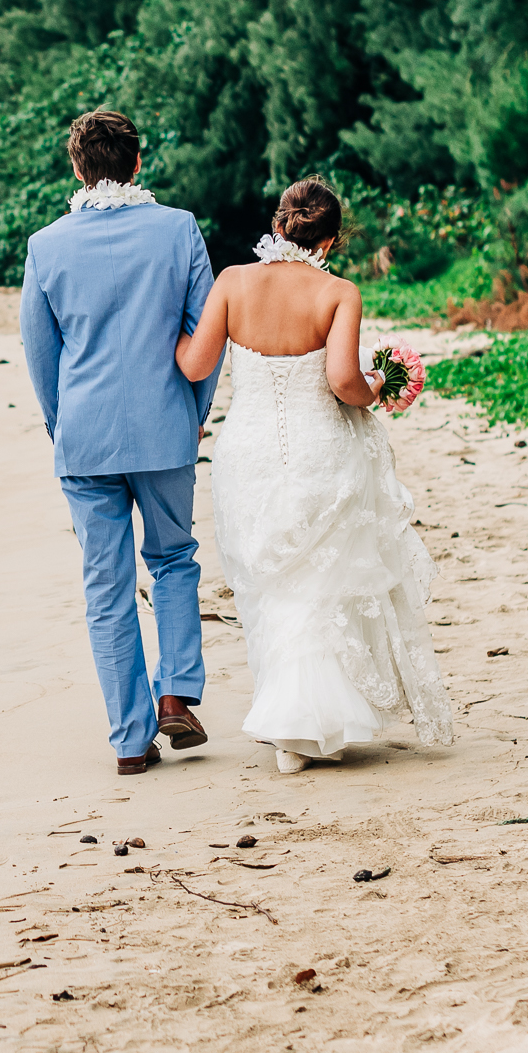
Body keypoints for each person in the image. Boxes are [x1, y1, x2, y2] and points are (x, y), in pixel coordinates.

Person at [175, 178, 454, 772]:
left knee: (269, 584)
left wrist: (156, 333)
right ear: (329, 240)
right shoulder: (339, 293)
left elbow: (196, 363)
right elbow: (344, 385)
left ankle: (291, 727)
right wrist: (379, 385)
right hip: (318, 449)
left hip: (246, 453)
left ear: (278, 226)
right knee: (315, 587)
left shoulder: (231, 282)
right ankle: (305, 726)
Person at [20, 111, 222, 775]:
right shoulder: (178, 230)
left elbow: (40, 354)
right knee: (173, 561)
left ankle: (130, 743)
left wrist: (62, 426)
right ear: (138, 164)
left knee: (105, 588)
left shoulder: (46, 246)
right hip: (165, 428)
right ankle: (175, 692)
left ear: (77, 169)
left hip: (84, 439)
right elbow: (205, 336)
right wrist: (192, 411)